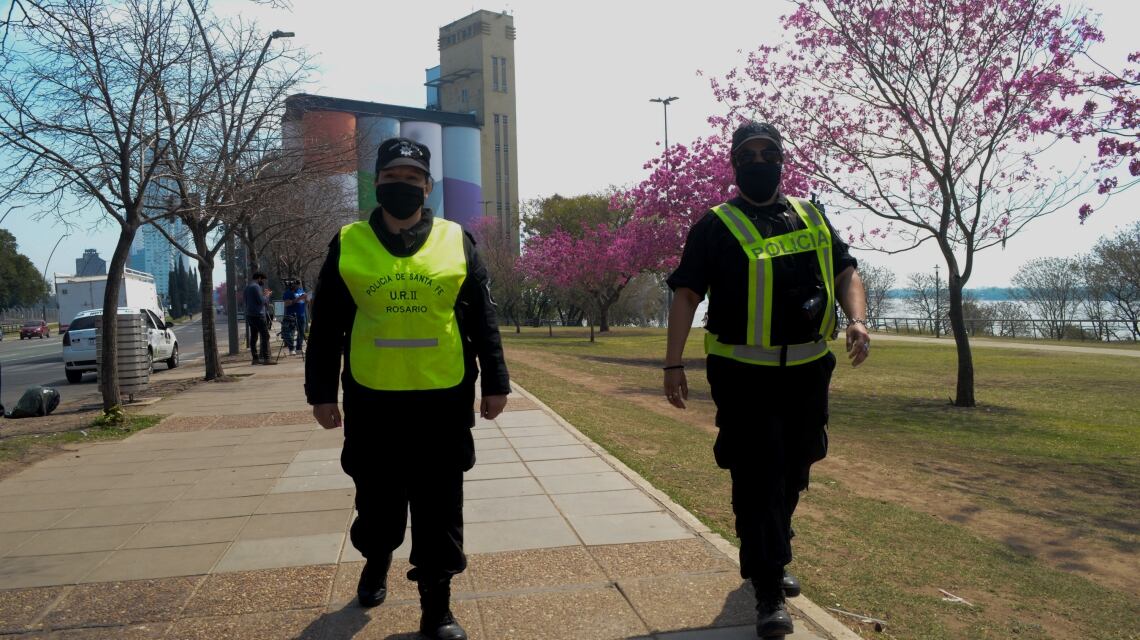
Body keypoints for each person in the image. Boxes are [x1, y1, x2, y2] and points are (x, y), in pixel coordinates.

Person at [662, 122, 870, 639]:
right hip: (742, 376)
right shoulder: (714, 225)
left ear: (782, 160)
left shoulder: (809, 215)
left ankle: (770, 550)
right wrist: (672, 363)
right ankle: (769, 587)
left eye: (768, 154)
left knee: (795, 469)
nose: (759, 162)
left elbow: (845, 271)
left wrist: (858, 319)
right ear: (735, 164)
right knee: (757, 475)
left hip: (807, 371)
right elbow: (686, 294)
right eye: (748, 155)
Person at [305, 137, 510, 640]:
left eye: (412, 178)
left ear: (428, 186)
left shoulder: (455, 240)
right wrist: (321, 392)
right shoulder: (349, 242)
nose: (403, 186)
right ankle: (376, 559)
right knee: (378, 503)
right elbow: (327, 323)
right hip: (373, 399)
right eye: (392, 178)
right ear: (378, 184)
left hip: (443, 398)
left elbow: (482, 317)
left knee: (440, 504)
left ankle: (436, 607)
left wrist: (497, 382)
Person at [243, 271, 275, 365]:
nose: (263, 282)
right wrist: (267, 296)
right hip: (258, 315)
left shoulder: (248, 287)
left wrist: (263, 295)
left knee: (254, 337)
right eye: (263, 280)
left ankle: (255, 358)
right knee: (265, 336)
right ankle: (266, 358)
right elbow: (261, 301)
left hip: (250, 315)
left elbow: (246, 300)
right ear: (259, 278)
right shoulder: (256, 287)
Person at [282, 279, 308, 355]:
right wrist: (299, 298)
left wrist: (306, 299)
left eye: (299, 284)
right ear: (293, 284)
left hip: (301, 314)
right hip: (291, 315)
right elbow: (287, 304)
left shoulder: (301, 290)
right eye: (296, 284)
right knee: (290, 332)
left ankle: (299, 348)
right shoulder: (288, 292)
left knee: (301, 332)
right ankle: (291, 348)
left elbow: (305, 302)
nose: (298, 285)